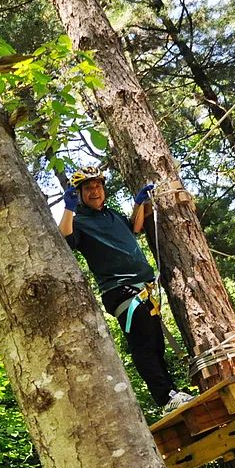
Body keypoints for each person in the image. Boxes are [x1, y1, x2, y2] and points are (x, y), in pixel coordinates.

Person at [60, 166, 195, 412]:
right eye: (88, 188)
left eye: (98, 186)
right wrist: (68, 208)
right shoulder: (79, 221)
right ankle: (165, 398)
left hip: (142, 289)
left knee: (155, 342)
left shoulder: (111, 215)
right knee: (144, 343)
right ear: (79, 193)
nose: (95, 191)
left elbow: (134, 227)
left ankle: (171, 393)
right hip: (120, 290)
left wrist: (139, 204)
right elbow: (65, 239)